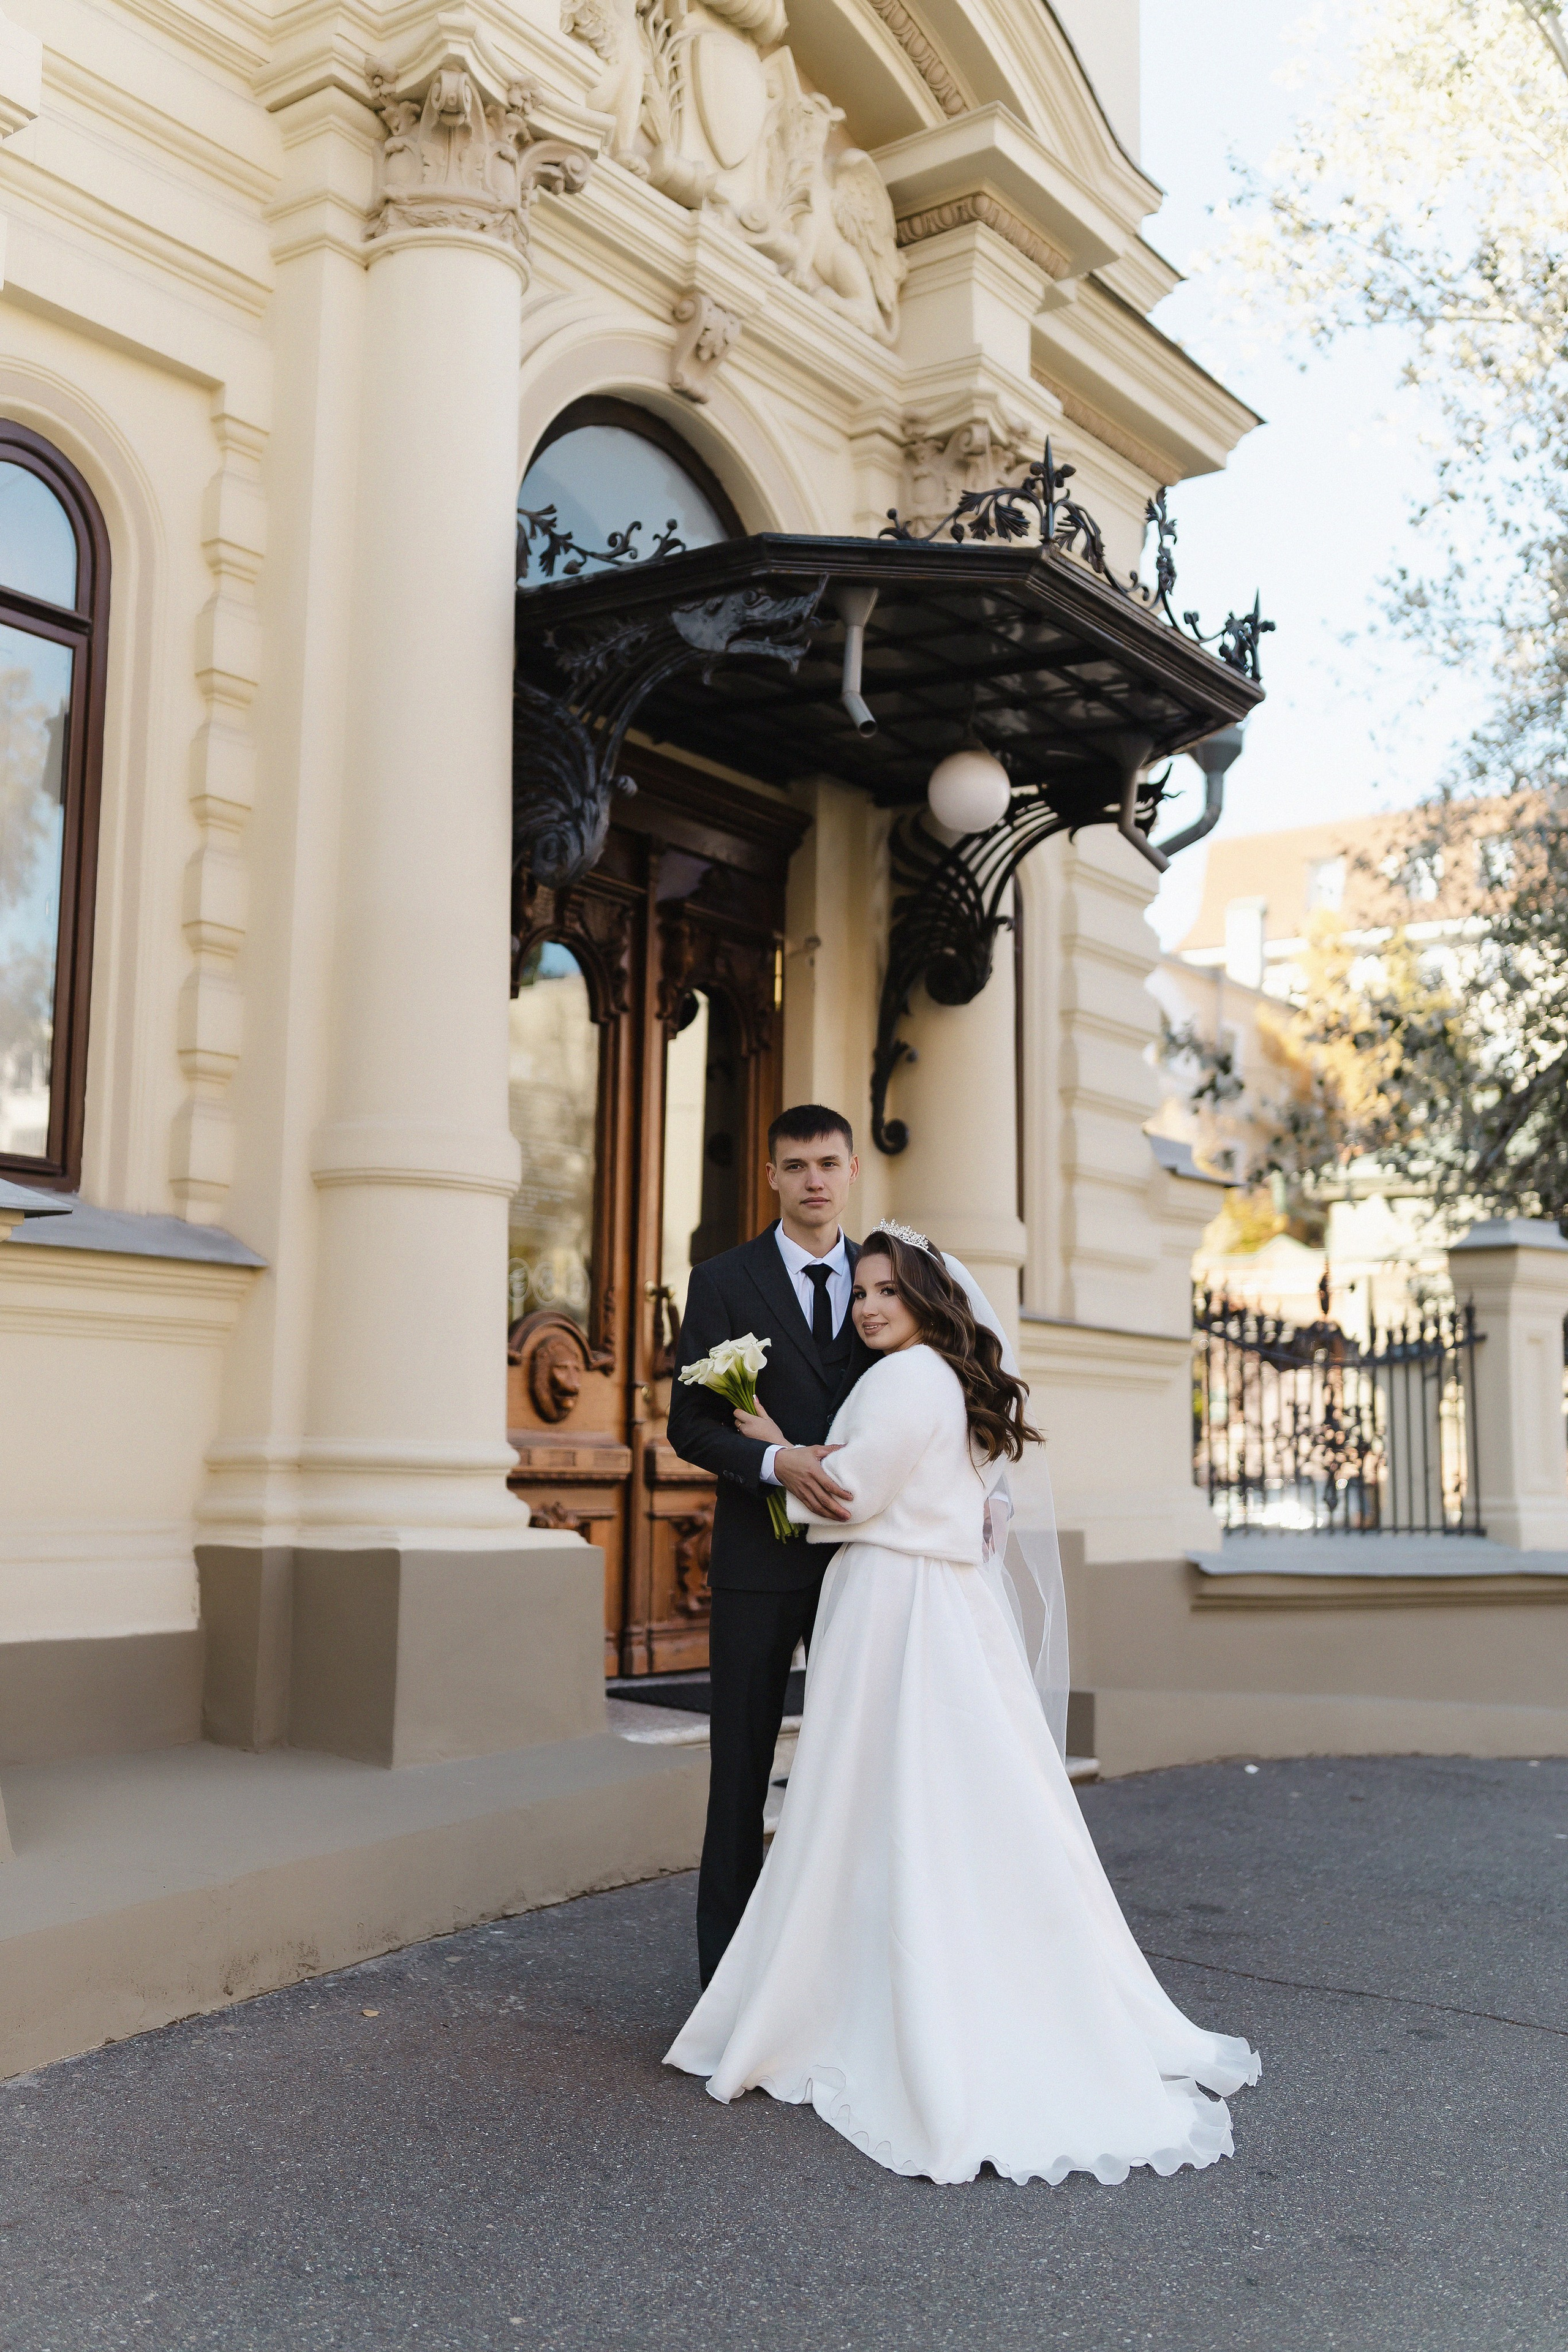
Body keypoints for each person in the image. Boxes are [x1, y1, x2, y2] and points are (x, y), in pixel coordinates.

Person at [666, 1225, 1261, 2187]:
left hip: (897, 1605)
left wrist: (777, 1446)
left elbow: (851, 1495)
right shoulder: (940, 1374)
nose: (866, 1307)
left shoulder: (907, 1379)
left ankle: (871, 1999)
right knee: (933, 1803)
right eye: (859, 1292)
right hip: (922, 1599)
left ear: (924, 1298)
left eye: (884, 1291)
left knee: (885, 1801)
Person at [665, 1106, 873, 1988]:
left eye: (828, 1163)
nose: (814, 1180)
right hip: (756, 1564)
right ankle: (727, 1981)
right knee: (742, 1772)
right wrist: (775, 1461)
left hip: (864, 1565)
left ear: (852, 1170)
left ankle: (836, 1969)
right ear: (772, 1177)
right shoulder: (721, 1281)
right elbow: (689, 1427)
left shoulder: (890, 1280)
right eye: (796, 1165)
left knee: (853, 1768)